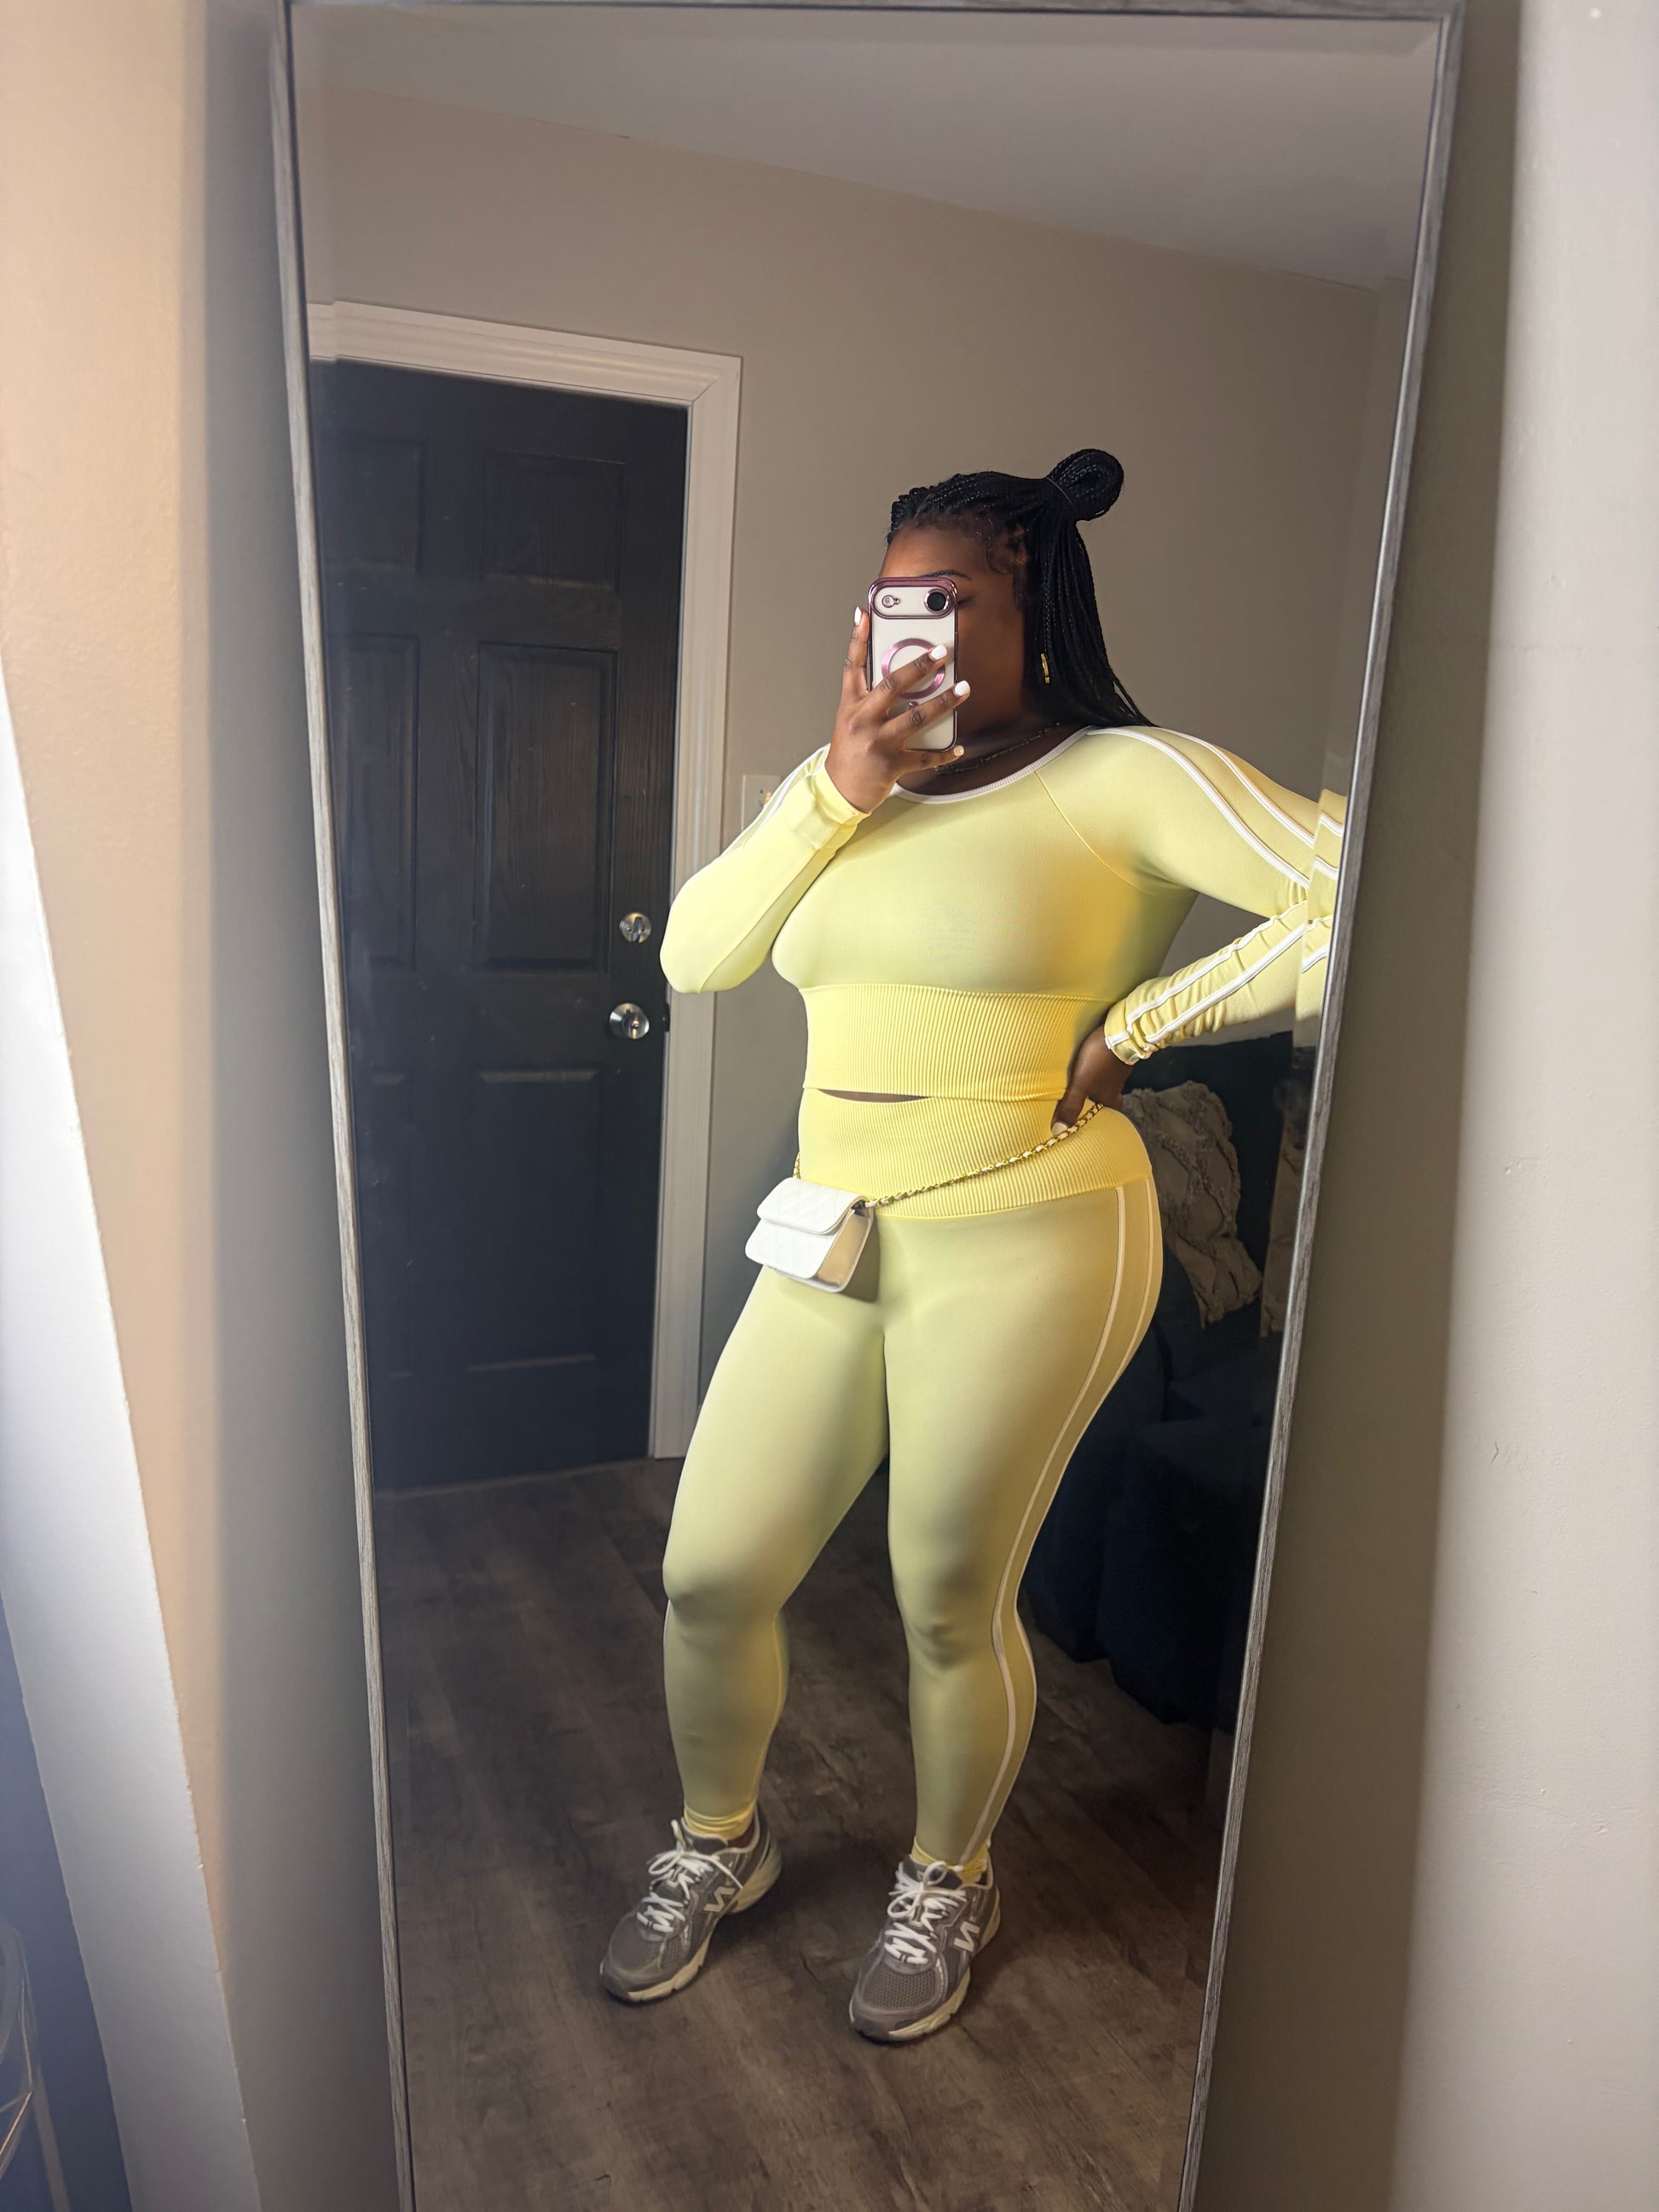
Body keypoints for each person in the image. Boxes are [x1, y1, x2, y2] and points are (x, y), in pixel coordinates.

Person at [599, 448, 1328, 2042]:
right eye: (887, 600)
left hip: (1033, 1227)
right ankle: (718, 1842)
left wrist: (1145, 1022)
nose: (905, 629)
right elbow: (702, 956)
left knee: (945, 1591)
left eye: (947, 598)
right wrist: (839, 783)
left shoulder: (1123, 776)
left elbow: (1359, 891)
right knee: (709, 1571)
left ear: (1033, 607)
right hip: (834, 1228)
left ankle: (948, 1876)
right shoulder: (840, 790)